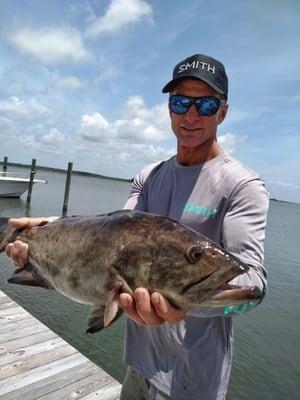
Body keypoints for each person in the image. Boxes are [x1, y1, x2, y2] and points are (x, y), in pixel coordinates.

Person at [6, 53, 269, 400]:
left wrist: (186, 305)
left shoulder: (241, 185)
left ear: (223, 111)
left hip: (193, 382)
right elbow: (114, 233)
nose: (191, 115)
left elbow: (254, 286)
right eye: (180, 102)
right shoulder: (149, 176)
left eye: (205, 104)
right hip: (138, 366)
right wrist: (42, 231)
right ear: (169, 108)